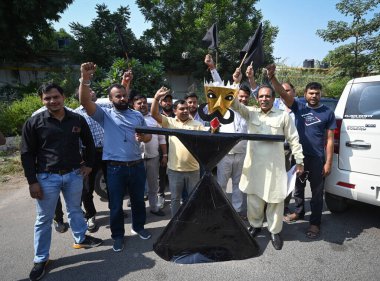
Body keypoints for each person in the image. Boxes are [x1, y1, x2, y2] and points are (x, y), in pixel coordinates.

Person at [21, 83, 103, 281]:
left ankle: (80, 238)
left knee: (75, 209)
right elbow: (26, 153)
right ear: (42, 100)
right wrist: (32, 181)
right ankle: (41, 259)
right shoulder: (34, 122)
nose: (52, 101)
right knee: (44, 219)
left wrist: (90, 165)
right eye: (47, 98)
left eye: (55, 97)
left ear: (63, 97)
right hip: (46, 177)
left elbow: (89, 143)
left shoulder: (76, 119)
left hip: (74, 174)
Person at [79, 62, 152, 252]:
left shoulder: (136, 114)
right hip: (115, 167)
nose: (122, 98)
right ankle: (118, 236)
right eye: (117, 96)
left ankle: (139, 227)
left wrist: (144, 136)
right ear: (110, 100)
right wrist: (85, 79)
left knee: (137, 201)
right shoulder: (105, 115)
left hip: (136, 165)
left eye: (124, 95)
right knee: (116, 205)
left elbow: (148, 135)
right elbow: (85, 102)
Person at [231, 84, 304, 250]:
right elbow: (233, 103)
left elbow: (294, 139)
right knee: (254, 201)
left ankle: (274, 231)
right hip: (254, 167)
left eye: (267, 96)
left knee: (275, 200)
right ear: (257, 99)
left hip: (275, 167)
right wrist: (236, 83)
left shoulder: (283, 116)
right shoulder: (250, 113)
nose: (264, 99)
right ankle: (256, 226)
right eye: (261, 96)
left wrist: (299, 161)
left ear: (273, 98)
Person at [267, 64, 336, 239]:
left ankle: (314, 223)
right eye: (311, 93)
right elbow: (283, 94)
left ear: (321, 94)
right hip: (299, 157)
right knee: (297, 188)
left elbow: (329, 140)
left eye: (317, 93)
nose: (314, 96)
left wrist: (328, 162)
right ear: (305, 94)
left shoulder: (328, 113)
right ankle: (298, 212)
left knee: (316, 193)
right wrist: (272, 77)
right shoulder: (299, 107)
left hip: (317, 159)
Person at [204, 54, 248, 219]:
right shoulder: (224, 107)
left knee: (238, 184)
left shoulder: (248, 113)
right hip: (225, 154)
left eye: (244, 97)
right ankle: (220, 208)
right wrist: (213, 68)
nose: (241, 99)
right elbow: (220, 86)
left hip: (242, 154)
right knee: (221, 184)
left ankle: (236, 211)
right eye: (239, 96)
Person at [151, 87, 205, 217]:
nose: (186, 110)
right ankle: (175, 222)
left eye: (186, 108)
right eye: (182, 109)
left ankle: (190, 221)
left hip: (193, 170)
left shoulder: (197, 124)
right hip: (175, 170)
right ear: (175, 111)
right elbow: (154, 114)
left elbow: (206, 141)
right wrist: (156, 98)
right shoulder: (170, 122)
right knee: (175, 199)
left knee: (192, 198)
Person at [74, 87, 106, 232]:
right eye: (89, 90)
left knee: (112, 184)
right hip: (88, 154)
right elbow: (74, 140)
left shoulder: (103, 108)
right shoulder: (75, 114)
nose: (92, 92)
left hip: (107, 151)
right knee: (87, 189)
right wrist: (80, 160)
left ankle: (116, 210)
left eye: (93, 90)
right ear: (80, 95)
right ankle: (90, 215)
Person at [132, 94, 167, 217]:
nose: (142, 105)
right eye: (139, 103)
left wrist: (165, 155)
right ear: (133, 105)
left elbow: (162, 138)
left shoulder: (155, 119)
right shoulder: (131, 119)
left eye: (144, 102)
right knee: (138, 187)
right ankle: (139, 211)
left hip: (153, 157)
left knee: (153, 185)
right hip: (136, 159)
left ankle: (154, 208)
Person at [157, 93, 174, 208]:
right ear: (160, 103)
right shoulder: (157, 116)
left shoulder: (176, 114)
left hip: (175, 148)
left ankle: (175, 197)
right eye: (165, 101)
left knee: (175, 173)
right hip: (160, 149)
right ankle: (161, 196)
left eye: (169, 101)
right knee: (161, 175)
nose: (168, 103)